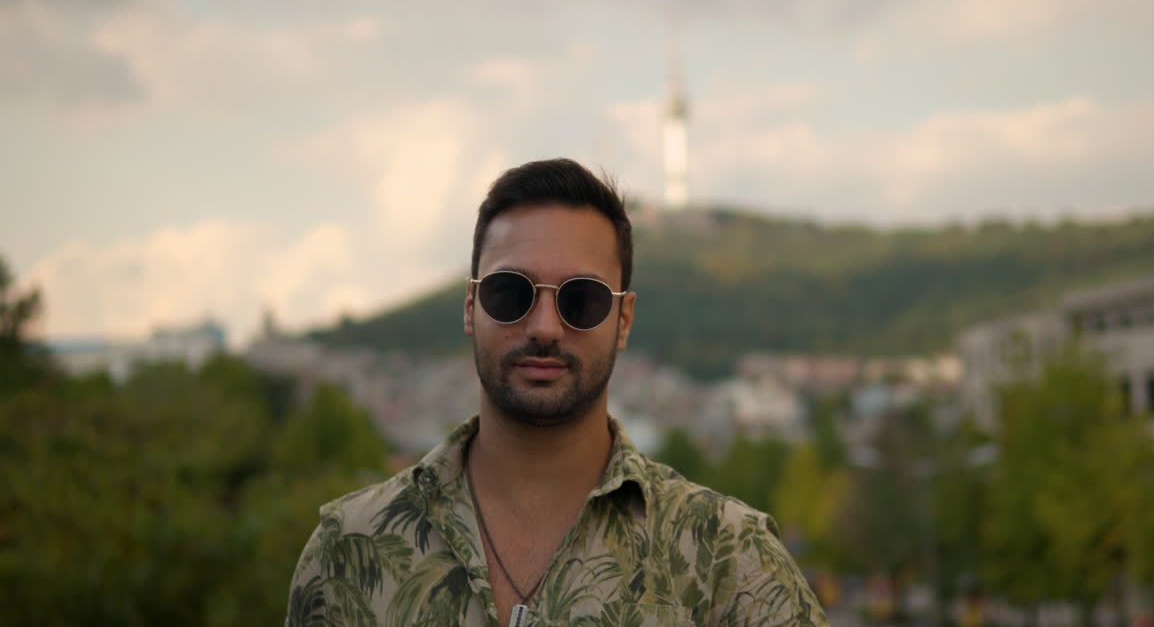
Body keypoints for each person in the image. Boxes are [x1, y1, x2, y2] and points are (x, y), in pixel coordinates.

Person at [284, 158, 829, 627]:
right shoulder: (348, 550)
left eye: (582, 299)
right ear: (471, 307)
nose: (545, 326)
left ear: (623, 319)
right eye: (510, 292)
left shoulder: (727, 560)